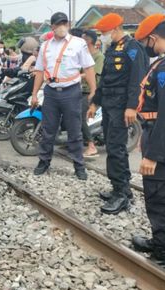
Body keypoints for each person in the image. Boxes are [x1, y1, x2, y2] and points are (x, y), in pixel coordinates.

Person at [131, 14, 165, 272]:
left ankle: (163, 253)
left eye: (145, 41)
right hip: (157, 133)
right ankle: (158, 240)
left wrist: (152, 154)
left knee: (160, 194)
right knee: (155, 191)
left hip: (162, 138)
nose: (145, 46)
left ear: (153, 38)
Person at [87, 13, 149, 215]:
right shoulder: (113, 48)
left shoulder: (133, 49)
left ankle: (122, 195)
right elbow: (106, 79)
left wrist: (132, 106)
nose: (102, 36)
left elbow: (137, 78)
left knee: (116, 149)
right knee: (112, 147)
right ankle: (119, 188)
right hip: (110, 106)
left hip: (123, 108)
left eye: (104, 33)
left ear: (115, 29)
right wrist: (95, 103)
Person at [31, 12, 96, 180]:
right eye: (58, 24)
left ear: (67, 25)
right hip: (51, 92)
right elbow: (39, 71)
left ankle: (79, 166)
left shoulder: (78, 43)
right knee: (48, 131)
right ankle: (44, 162)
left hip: (71, 92)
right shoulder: (45, 46)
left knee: (75, 131)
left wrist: (94, 91)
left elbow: (89, 68)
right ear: (52, 27)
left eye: (64, 23)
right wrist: (34, 94)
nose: (61, 27)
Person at [81, 29, 104, 159]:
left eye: (83, 39)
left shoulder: (99, 56)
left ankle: (91, 146)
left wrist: (75, 76)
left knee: (80, 116)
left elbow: (93, 73)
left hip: (91, 91)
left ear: (88, 41)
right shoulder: (84, 55)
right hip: (79, 89)